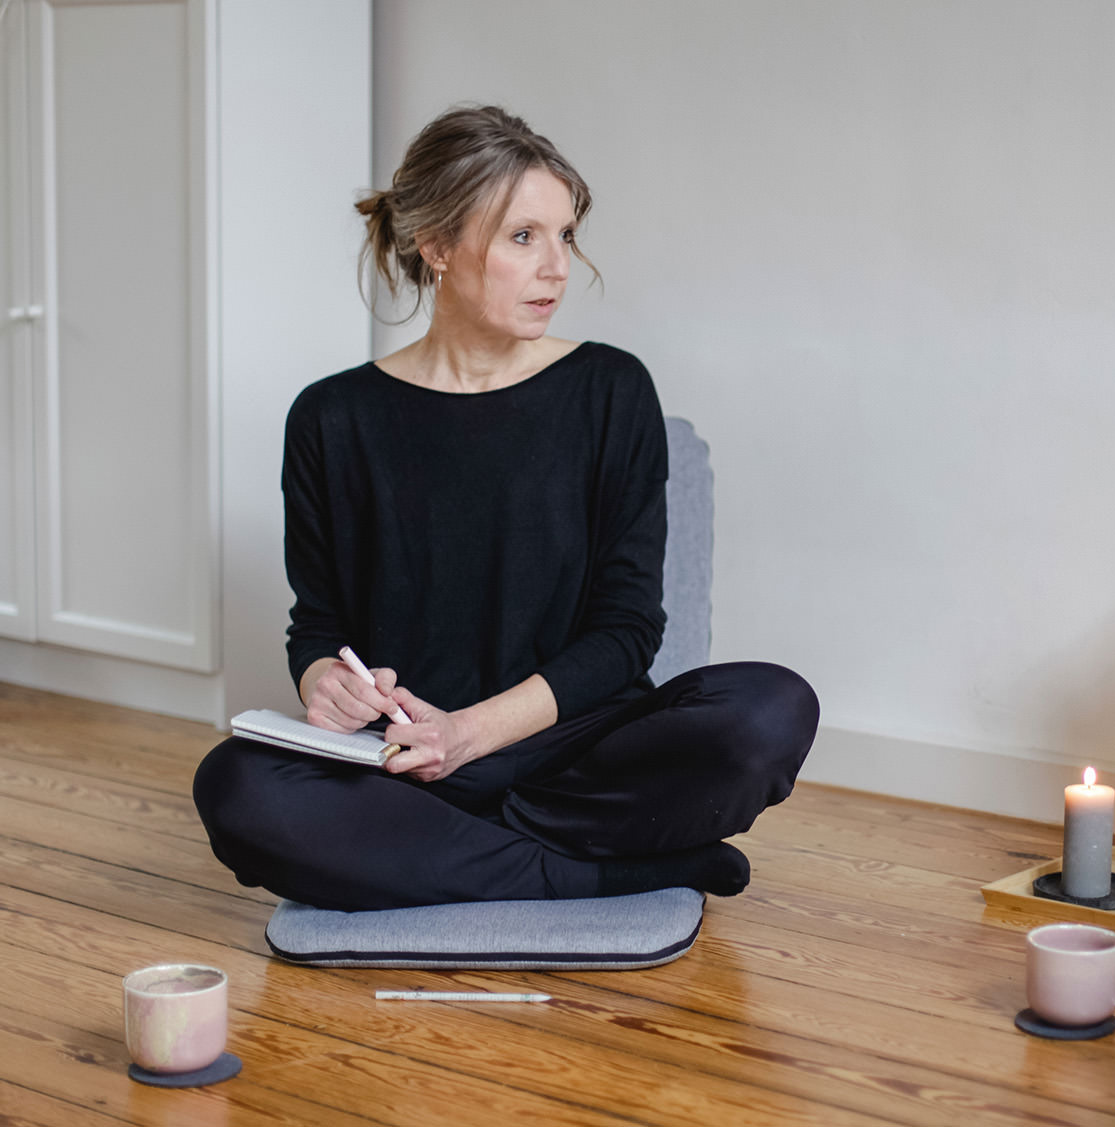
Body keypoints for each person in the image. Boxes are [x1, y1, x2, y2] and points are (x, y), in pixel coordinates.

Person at [193, 105, 819, 912]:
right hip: (402, 763)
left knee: (768, 709)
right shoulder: (330, 418)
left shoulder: (610, 389)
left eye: (565, 235)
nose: (557, 267)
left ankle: (446, 858)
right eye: (524, 237)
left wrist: (471, 733)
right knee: (235, 786)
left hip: (577, 749)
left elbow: (627, 633)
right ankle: (601, 869)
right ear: (439, 247)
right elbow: (318, 625)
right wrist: (327, 684)